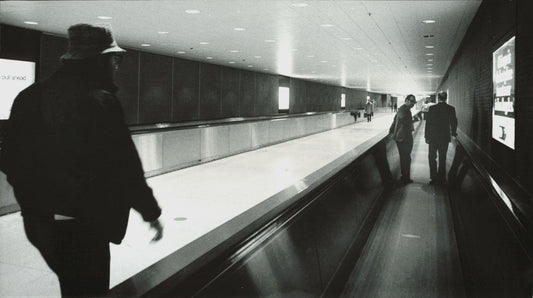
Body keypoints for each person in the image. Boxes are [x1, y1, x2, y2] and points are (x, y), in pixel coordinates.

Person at [0, 23, 164, 296]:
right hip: (84, 226)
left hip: (38, 222)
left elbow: (8, 157)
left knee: (73, 285)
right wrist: (151, 213)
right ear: (101, 59)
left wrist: (36, 197)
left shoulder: (28, 96)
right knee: (88, 290)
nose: (117, 65)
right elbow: (126, 168)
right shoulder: (100, 101)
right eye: (116, 58)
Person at [425, 91, 457, 185]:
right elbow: (454, 122)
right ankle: (441, 178)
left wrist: (426, 136)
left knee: (432, 157)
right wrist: (453, 133)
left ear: (438, 98)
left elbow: (428, 123)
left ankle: (433, 178)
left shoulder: (432, 108)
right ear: (446, 98)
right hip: (444, 138)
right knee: (442, 158)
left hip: (433, 137)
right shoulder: (451, 109)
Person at [389, 95, 417, 184]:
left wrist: (391, 131)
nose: (413, 104)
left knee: (405, 157)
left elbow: (395, 120)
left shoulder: (404, 109)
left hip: (402, 137)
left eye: (414, 102)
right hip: (403, 138)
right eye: (411, 101)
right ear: (407, 100)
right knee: (406, 158)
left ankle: (405, 176)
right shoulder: (403, 109)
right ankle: (405, 178)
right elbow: (403, 119)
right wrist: (412, 121)